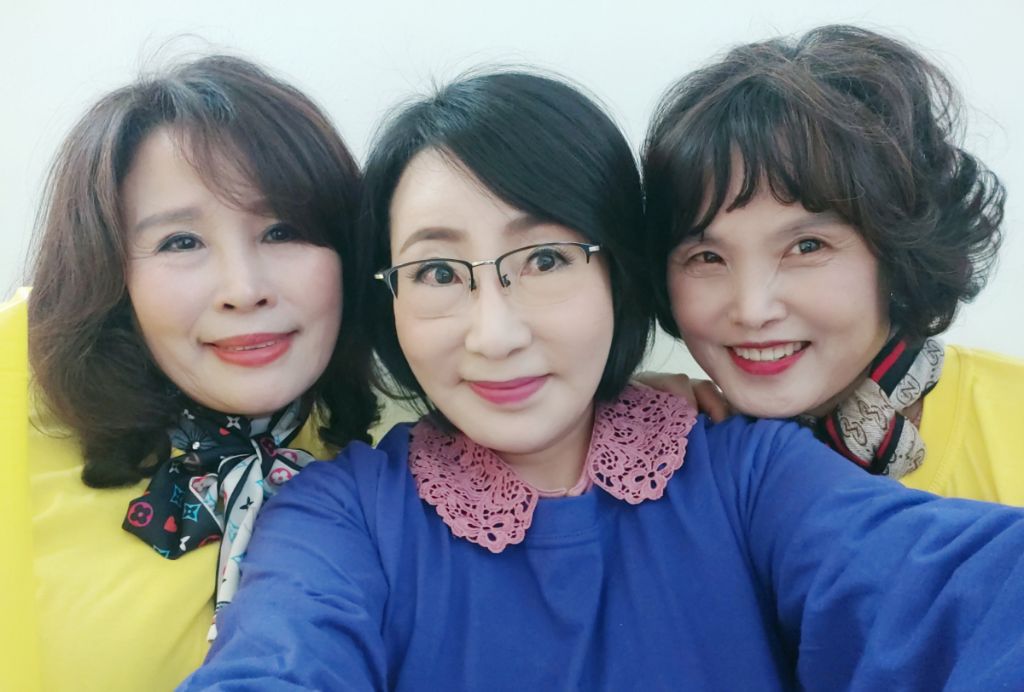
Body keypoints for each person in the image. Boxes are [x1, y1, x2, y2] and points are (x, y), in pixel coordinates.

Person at [183, 70, 1024, 690]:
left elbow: (964, 593)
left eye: (546, 259)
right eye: (437, 272)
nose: (495, 334)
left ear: (619, 275)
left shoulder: (749, 473)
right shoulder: (339, 517)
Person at [23, 55, 377, 690]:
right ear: (108, 273)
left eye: (282, 230)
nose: (243, 289)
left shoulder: (427, 450)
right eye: (181, 242)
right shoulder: (16, 433)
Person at [643, 24, 1024, 503]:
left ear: (899, 250)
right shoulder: (660, 458)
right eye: (708, 257)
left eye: (807, 247)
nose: (753, 310)